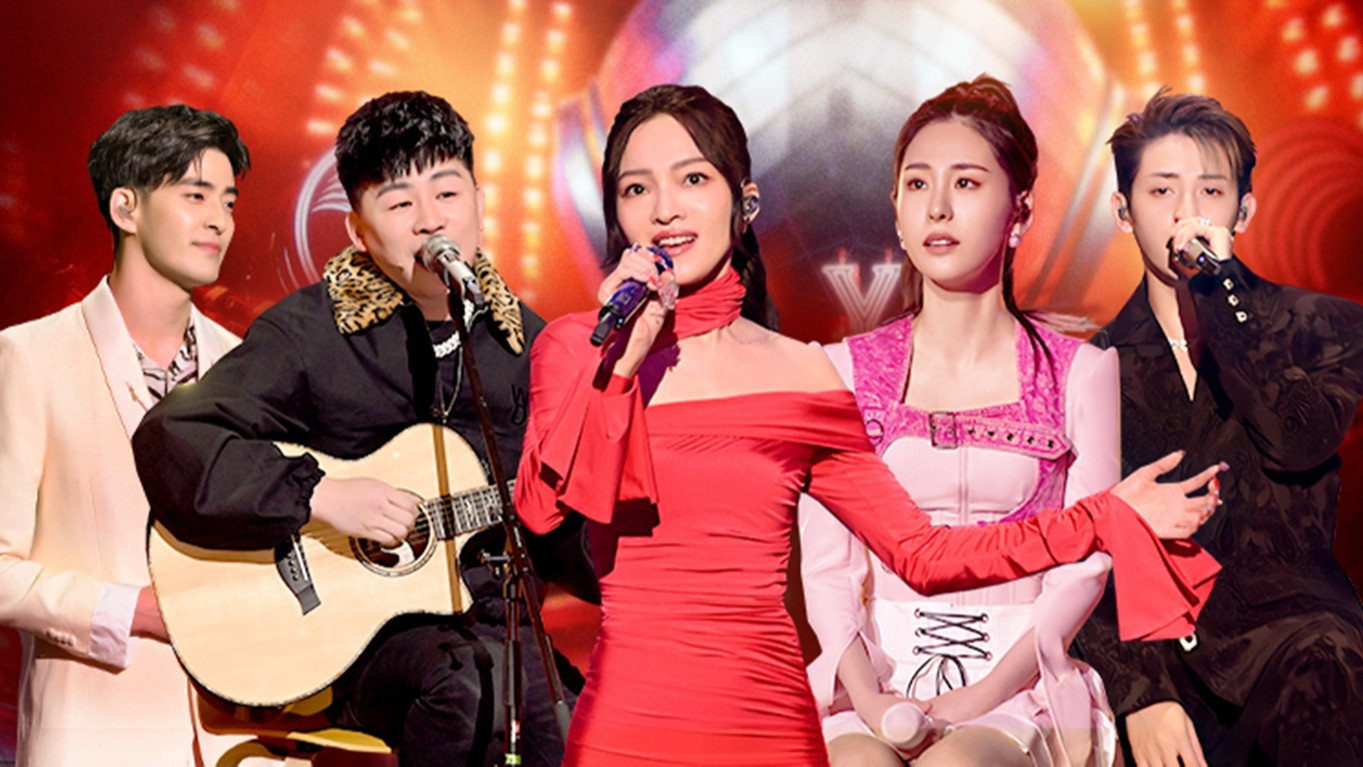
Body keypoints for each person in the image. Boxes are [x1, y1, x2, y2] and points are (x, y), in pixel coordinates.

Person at [513, 83, 1223, 767]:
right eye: (636, 189)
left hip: (763, 717)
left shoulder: (800, 371)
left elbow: (924, 554)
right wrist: (621, 360)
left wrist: (1103, 516)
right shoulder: (574, 347)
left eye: (692, 179)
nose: (664, 209)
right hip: (629, 718)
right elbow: (542, 509)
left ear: (744, 202)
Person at [133, 91, 591, 767]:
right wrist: (320, 495)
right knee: (475, 690)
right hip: (352, 649)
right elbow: (175, 439)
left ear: (479, 202)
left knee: (579, 716)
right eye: (400, 204)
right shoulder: (309, 333)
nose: (430, 219)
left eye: (447, 193)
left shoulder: (529, 344)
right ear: (357, 230)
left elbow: (565, 540)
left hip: (501, 631)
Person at [800, 75, 1128, 767]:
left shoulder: (1081, 372)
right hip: (872, 681)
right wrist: (873, 701)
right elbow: (828, 569)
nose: (938, 206)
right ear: (896, 210)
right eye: (917, 184)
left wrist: (969, 701)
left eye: (967, 183)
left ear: (1019, 211)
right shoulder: (838, 369)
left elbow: (1083, 567)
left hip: (1020, 686)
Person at [1070, 89, 1363, 766]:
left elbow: (1296, 439)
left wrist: (1218, 289)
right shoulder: (1089, 365)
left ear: (1244, 210)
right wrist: (1139, 691)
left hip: (1303, 659)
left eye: (1209, 190)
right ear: (1122, 210)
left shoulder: (1325, 326)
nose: (1186, 213)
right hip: (1157, 662)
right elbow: (1077, 543)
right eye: (1161, 191)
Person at [0, 105, 248, 766]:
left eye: (228, 201)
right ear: (125, 207)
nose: (220, 220)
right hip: (94, 733)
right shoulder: (30, 357)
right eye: (195, 195)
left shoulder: (249, 367)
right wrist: (130, 610)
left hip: (245, 741)